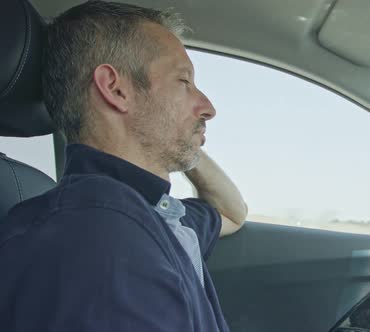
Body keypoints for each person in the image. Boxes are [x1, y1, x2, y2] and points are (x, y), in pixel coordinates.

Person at [0, 1, 247, 331]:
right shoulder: (103, 243)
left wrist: (184, 135)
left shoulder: (153, 212)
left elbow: (232, 212)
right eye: (183, 81)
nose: (208, 107)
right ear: (116, 88)